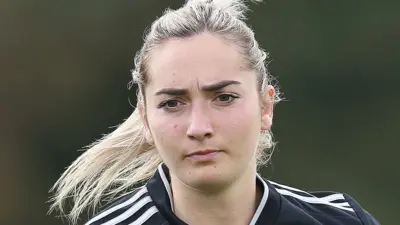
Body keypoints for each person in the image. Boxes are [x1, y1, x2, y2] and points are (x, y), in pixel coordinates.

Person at [49, 0, 381, 224]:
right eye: (172, 103)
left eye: (223, 97)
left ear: (266, 107)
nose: (198, 127)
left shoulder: (341, 219)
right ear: (146, 119)